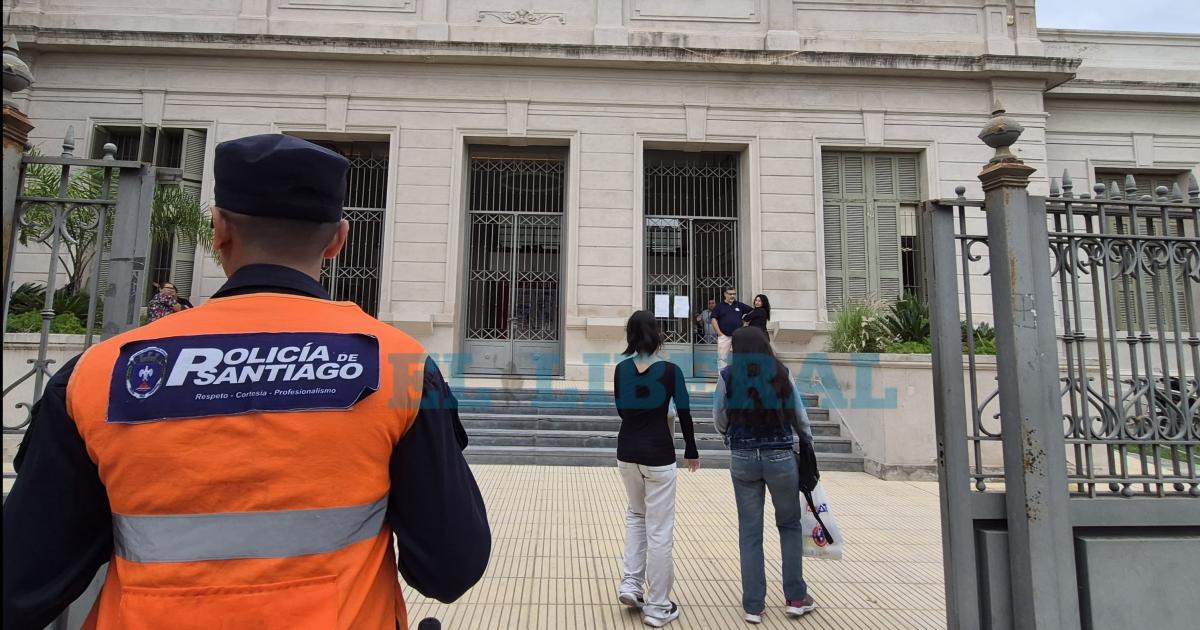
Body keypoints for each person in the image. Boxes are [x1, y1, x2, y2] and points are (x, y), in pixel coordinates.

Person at [3, 134, 491, 630]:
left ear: (218, 230)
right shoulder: (400, 369)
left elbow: (22, 585)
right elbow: (450, 568)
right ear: (338, 240)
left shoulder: (101, 375)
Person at [713, 327, 817, 625]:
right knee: (789, 525)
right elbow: (800, 417)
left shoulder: (728, 376)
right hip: (781, 457)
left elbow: (719, 417)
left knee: (749, 531)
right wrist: (807, 447)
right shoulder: (781, 373)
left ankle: (753, 605)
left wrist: (730, 439)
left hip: (743, 458)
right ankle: (795, 598)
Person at [613, 310, 700, 628]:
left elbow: (622, 410)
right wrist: (691, 450)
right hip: (659, 456)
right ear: (657, 334)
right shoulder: (671, 371)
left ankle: (631, 585)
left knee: (636, 517)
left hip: (627, 453)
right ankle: (658, 606)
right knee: (660, 530)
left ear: (630, 335)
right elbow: (685, 412)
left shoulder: (621, 369)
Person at [710, 286, 752, 371]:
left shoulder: (739, 305)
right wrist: (719, 333)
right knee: (722, 359)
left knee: (739, 357)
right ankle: (722, 378)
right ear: (725, 294)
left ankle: (738, 376)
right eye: (730, 294)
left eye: (734, 294)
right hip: (724, 337)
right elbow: (713, 319)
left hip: (738, 337)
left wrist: (745, 322)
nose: (732, 296)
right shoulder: (719, 306)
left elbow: (753, 312)